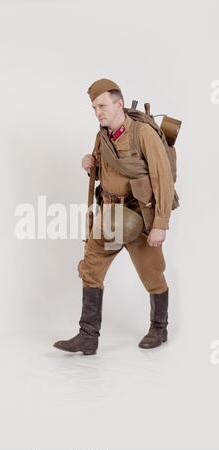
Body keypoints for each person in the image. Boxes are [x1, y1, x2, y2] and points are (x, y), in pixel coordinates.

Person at [53, 78, 175, 355]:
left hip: (139, 216)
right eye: (94, 107)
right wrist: (90, 166)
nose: (98, 112)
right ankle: (87, 336)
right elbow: (105, 171)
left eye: (102, 105)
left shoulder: (142, 133)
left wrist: (160, 224)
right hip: (109, 216)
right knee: (91, 268)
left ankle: (159, 327)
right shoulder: (103, 135)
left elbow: (162, 178)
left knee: (152, 274)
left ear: (119, 104)